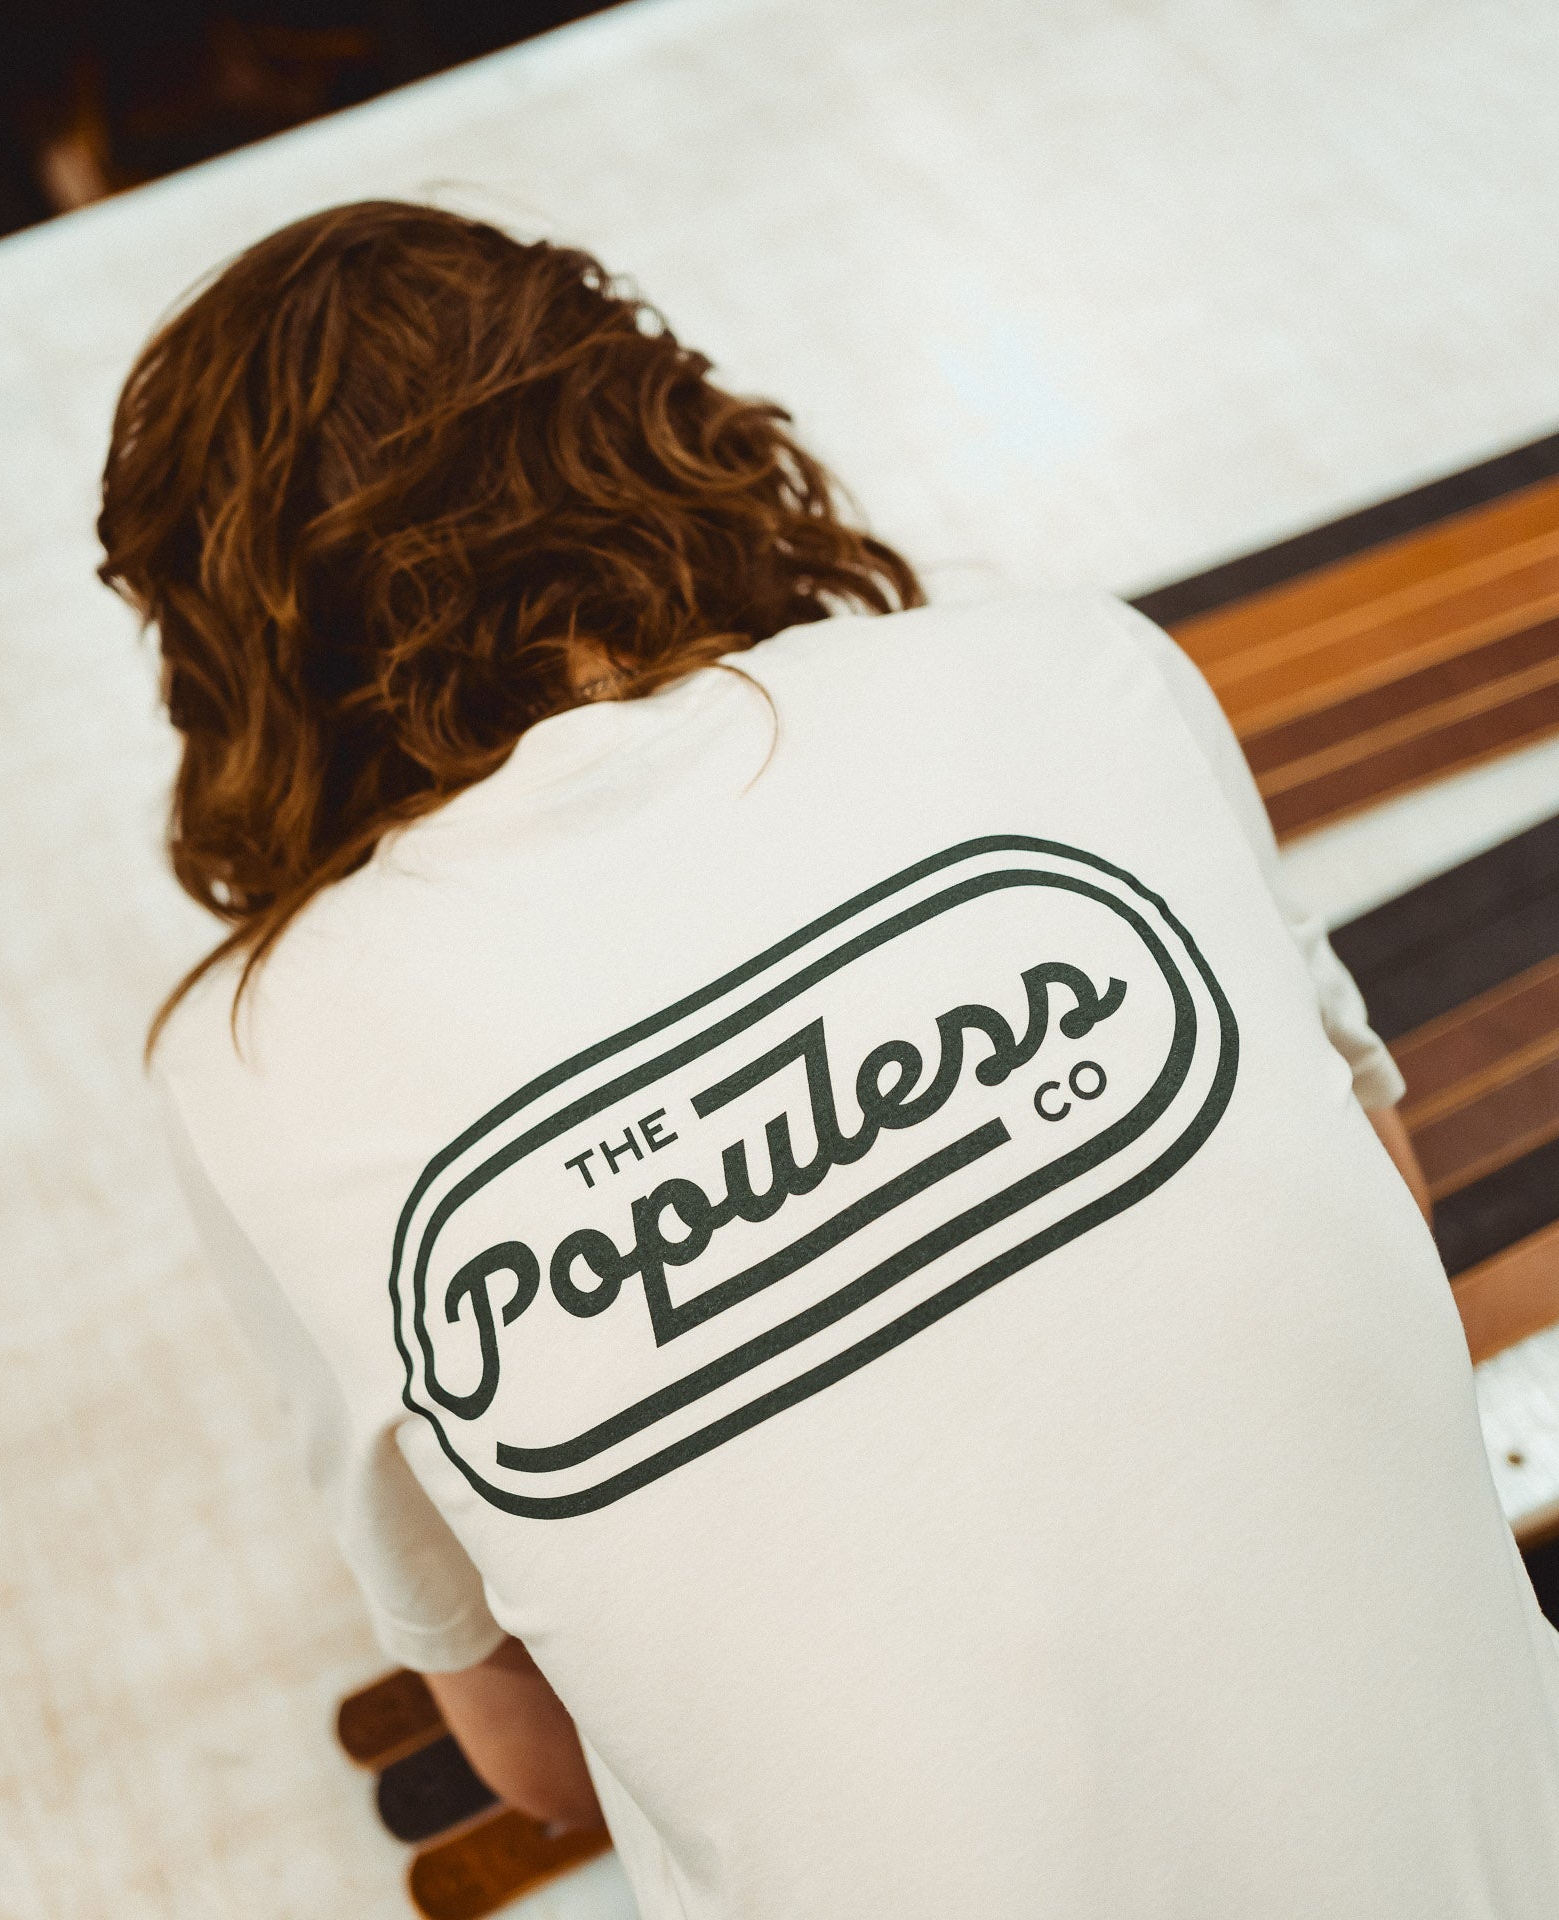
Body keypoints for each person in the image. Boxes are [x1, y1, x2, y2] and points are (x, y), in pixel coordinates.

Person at [99, 200, 1559, 1917]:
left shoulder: (252, 1063)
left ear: (238, 666)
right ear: (664, 431)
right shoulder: (1067, 669)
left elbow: (538, 1763)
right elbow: (1391, 1238)